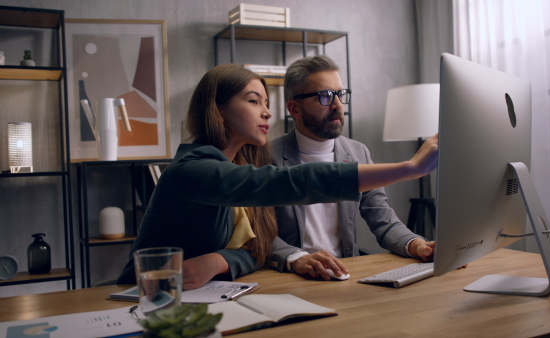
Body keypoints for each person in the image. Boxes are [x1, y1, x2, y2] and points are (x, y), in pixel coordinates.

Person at [117, 63, 438, 290]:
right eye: (254, 101)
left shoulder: (234, 165)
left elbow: (252, 247)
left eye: (266, 103)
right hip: (143, 296)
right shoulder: (195, 168)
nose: (267, 112)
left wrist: (217, 261)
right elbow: (291, 183)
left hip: (198, 296)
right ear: (218, 110)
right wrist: (409, 168)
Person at [269, 55, 435, 280]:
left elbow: (382, 217)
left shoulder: (358, 153)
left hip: (345, 272)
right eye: (325, 96)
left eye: (340, 94)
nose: (338, 105)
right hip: (291, 276)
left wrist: (416, 244)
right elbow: (258, 232)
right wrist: (295, 257)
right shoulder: (267, 157)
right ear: (294, 109)